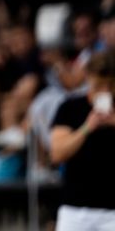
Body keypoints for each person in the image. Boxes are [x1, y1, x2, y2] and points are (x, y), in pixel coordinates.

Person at [50, 50, 115, 231]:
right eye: (99, 85)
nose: (105, 90)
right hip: (75, 210)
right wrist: (87, 128)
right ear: (88, 78)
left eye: (110, 85)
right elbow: (57, 153)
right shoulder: (70, 107)